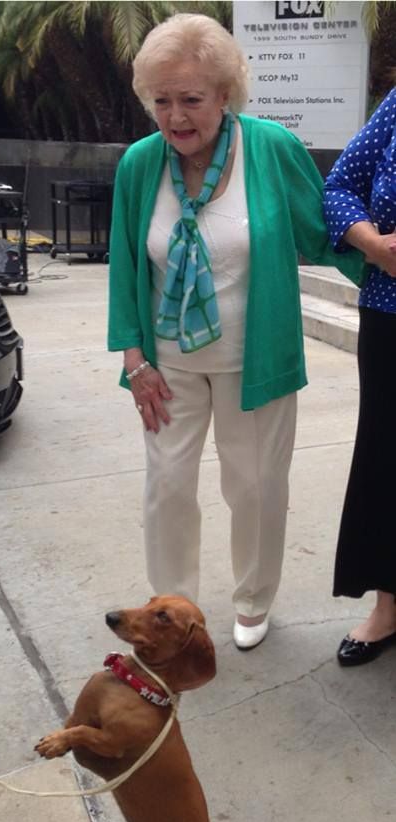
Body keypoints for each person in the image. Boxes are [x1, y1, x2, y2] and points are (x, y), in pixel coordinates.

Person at [108, 13, 363, 650]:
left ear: (226, 94)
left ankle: (253, 598)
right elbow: (126, 262)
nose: (175, 116)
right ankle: (173, 611)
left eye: (191, 99)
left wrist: (378, 261)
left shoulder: (271, 149)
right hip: (167, 365)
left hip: (257, 359)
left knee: (254, 487)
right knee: (167, 487)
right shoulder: (141, 164)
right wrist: (135, 359)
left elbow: (324, 227)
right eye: (161, 100)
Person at [323, 88, 396, 666]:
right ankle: (388, 606)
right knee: (386, 456)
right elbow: (340, 186)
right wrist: (371, 243)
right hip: (391, 310)